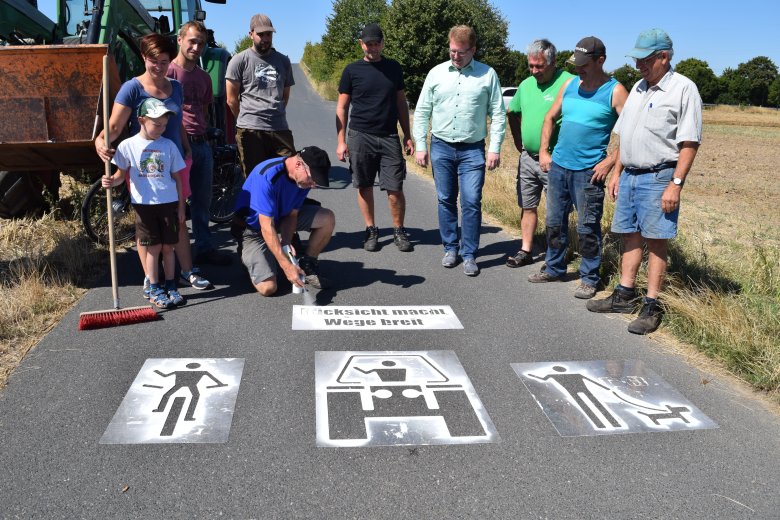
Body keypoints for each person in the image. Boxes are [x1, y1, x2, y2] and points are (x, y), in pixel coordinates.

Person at [587, 29, 702, 335]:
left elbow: (689, 143)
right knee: (629, 236)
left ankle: (651, 305)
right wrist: (617, 172)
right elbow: (625, 135)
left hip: (659, 176)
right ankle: (624, 294)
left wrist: (675, 184)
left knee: (656, 240)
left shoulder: (683, 90)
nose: (639, 65)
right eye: (637, 59)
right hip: (630, 175)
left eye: (645, 59)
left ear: (664, 57)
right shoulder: (639, 88)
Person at [95, 32, 212, 303]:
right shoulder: (132, 88)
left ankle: (185, 271)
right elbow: (114, 126)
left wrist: (185, 148)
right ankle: (151, 277)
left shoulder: (176, 86)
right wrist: (100, 141)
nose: (158, 66)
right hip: (144, 164)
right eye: (152, 60)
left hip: (175, 159)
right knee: (146, 223)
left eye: (164, 60)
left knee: (179, 218)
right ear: (143, 58)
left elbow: (177, 121)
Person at [529, 36, 628, 299]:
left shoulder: (615, 91)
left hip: (588, 172)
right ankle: (554, 267)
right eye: (576, 63)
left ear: (601, 60)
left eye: (584, 64)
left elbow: (633, 132)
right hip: (559, 166)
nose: (578, 69)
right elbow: (550, 117)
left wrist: (609, 162)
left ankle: (589, 277)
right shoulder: (571, 85)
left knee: (587, 227)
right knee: (554, 223)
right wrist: (543, 151)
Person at [413, 25, 506, 277]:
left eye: (461, 52)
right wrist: (420, 145)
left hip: (473, 150)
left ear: (473, 49)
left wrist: (495, 148)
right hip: (441, 146)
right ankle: (450, 248)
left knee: (471, 201)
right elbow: (422, 111)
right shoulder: (436, 73)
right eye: (452, 51)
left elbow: (498, 114)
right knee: (445, 199)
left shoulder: (487, 75)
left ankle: (469, 254)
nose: (455, 56)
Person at [336, 23, 415, 253]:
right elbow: (342, 108)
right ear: (361, 44)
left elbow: (401, 103)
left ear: (382, 43)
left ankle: (399, 230)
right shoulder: (352, 70)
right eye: (368, 43)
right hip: (360, 136)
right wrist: (341, 141)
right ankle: (370, 230)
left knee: (395, 188)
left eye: (376, 43)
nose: (372, 47)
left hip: (389, 136)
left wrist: (407, 135)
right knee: (364, 185)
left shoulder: (394, 68)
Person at [101, 98, 186, 309]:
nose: (161, 129)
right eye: (157, 124)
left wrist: (182, 206)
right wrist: (111, 181)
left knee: (169, 247)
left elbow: (177, 178)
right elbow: (122, 175)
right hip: (144, 205)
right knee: (153, 247)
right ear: (141, 119)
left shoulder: (169, 145)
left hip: (169, 203)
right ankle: (153, 286)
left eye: (164, 125)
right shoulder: (128, 145)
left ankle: (171, 285)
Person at [504, 39, 574, 268]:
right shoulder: (525, 85)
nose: (534, 71)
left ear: (553, 62)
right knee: (527, 205)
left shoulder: (569, 82)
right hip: (528, 158)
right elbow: (512, 112)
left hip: (556, 160)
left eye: (539, 66)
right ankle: (526, 249)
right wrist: (518, 141)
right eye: (531, 66)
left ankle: (556, 255)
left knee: (557, 211)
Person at [167, 20, 231, 266]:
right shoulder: (168, 73)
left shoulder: (204, 78)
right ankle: (172, 254)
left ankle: (204, 248)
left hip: (201, 145)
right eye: (192, 41)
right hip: (176, 147)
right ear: (180, 40)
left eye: (201, 43)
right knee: (175, 203)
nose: (196, 47)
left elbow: (202, 110)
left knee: (203, 202)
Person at [234, 147, 335, 296]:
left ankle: (308, 264)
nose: (313, 185)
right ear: (299, 165)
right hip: (254, 230)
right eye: (312, 179)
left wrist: (286, 242)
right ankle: (248, 252)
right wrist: (287, 266)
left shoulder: (302, 180)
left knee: (327, 218)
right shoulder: (266, 176)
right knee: (268, 288)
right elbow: (266, 226)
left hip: (279, 218)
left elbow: (292, 215)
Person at [226, 13, 296, 176]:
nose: (265, 38)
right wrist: (245, 119)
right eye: (261, 34)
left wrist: (274, 112)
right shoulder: (239, 60)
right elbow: (231, 99)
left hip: (279, 128)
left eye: (269, 34)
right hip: (250, 130)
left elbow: (284, 96)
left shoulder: (283, 61)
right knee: (254, 178)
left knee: (288, 175)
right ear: (251, 34)